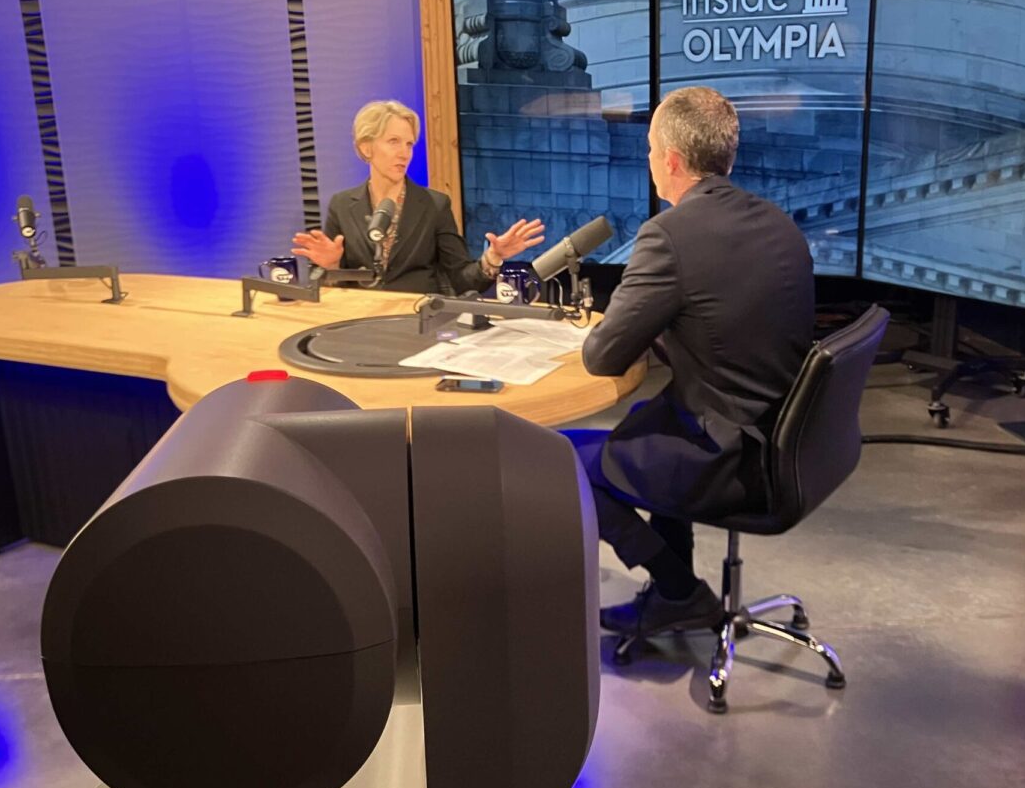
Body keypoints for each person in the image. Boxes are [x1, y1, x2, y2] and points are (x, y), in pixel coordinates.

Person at [574, 87, 815, 636]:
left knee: (563, 456)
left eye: (651, 151)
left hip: (726, 456)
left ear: (673, 161)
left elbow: (603, 357)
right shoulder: (778, 222)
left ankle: (679, 591)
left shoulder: (669, 235)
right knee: (654, 421)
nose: (651, 162)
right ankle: (670, 591)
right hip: (784, 442)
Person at [291, 100, 545, 293]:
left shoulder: (435, 204)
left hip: (416, 320)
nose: (404, 153)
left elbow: (459, 278)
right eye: (393, 141)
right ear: (366, 147)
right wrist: (332, 265)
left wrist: (492, 258)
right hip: (360, 322)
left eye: (409, 144)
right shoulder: (342, 205)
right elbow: (329, 287)